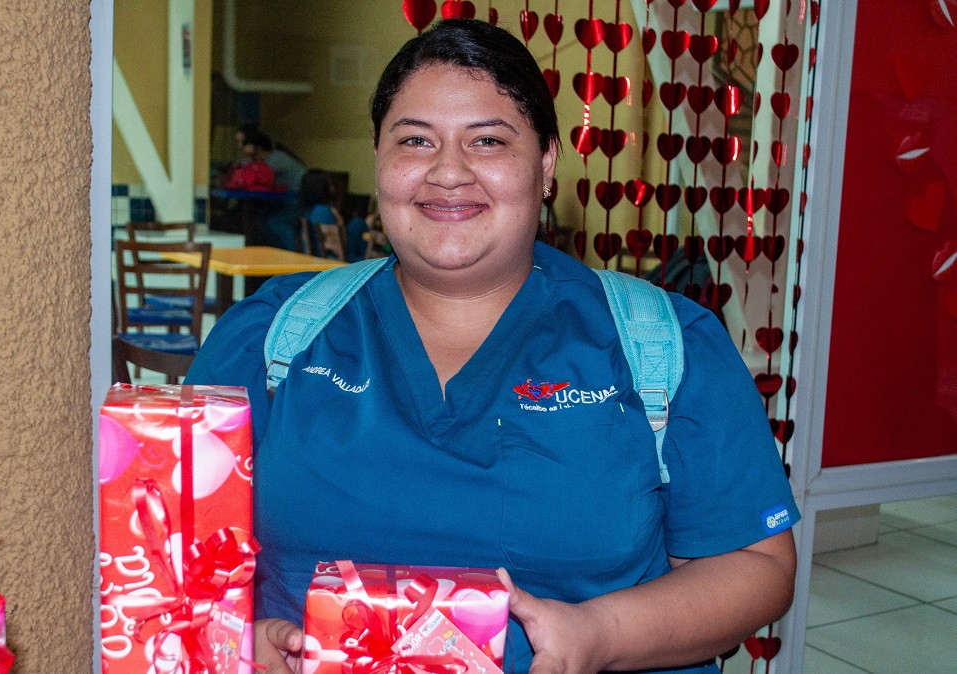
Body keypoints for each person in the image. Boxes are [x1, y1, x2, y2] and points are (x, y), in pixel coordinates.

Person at [185, 18, 798, 674]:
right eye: (415, 140)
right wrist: (236, 640)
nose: (448, 173)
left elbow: (756, 565)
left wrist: (598, 635)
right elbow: (176, 549)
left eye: (487, 141)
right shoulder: (272, 336)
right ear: (379, 159)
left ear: (544, 165)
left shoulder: (659, 344)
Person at [299, 169, 344, 258]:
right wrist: (340, 223)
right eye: (330, 185)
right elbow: (337, 246)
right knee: (357, 224)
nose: (333, 188)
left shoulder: (306, 211)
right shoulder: (323, 211)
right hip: (330, 260)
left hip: (314, 257)